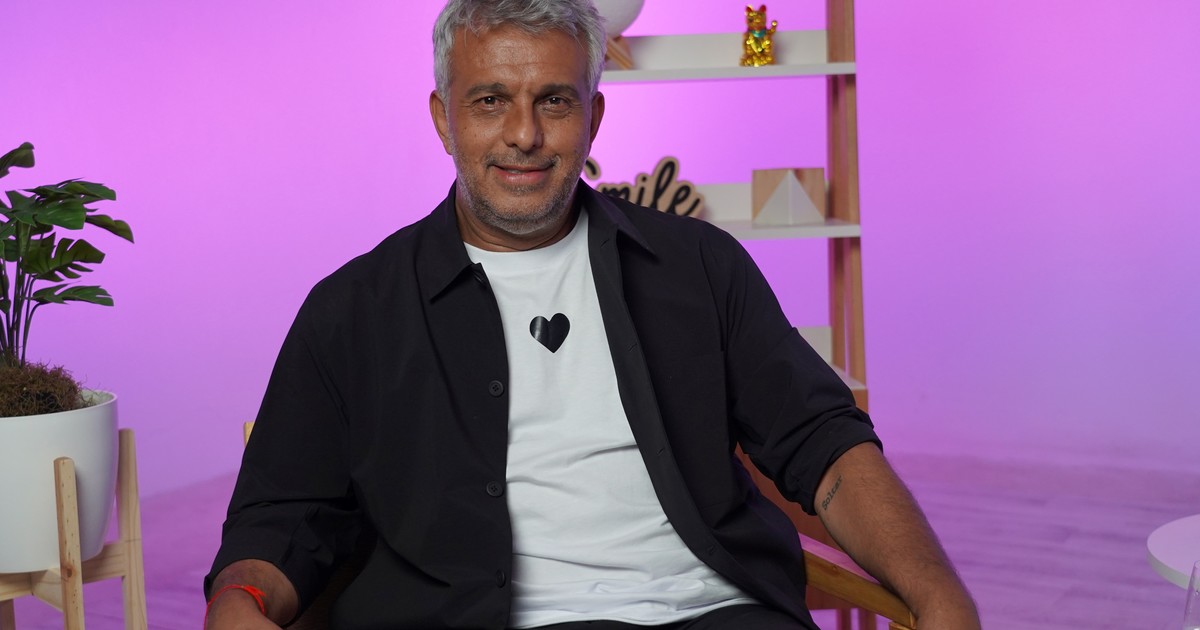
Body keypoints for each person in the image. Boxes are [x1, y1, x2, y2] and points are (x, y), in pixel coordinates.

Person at [204, 1, 980, 628]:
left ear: (595, 117)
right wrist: (237, 601)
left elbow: (827, 448)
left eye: (554, 100)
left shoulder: (700, 268)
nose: (524, 134)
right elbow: (284, 516)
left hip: (715, 613)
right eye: (490, 101)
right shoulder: (353, 310)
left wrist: (943, 598)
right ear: (443, 119)